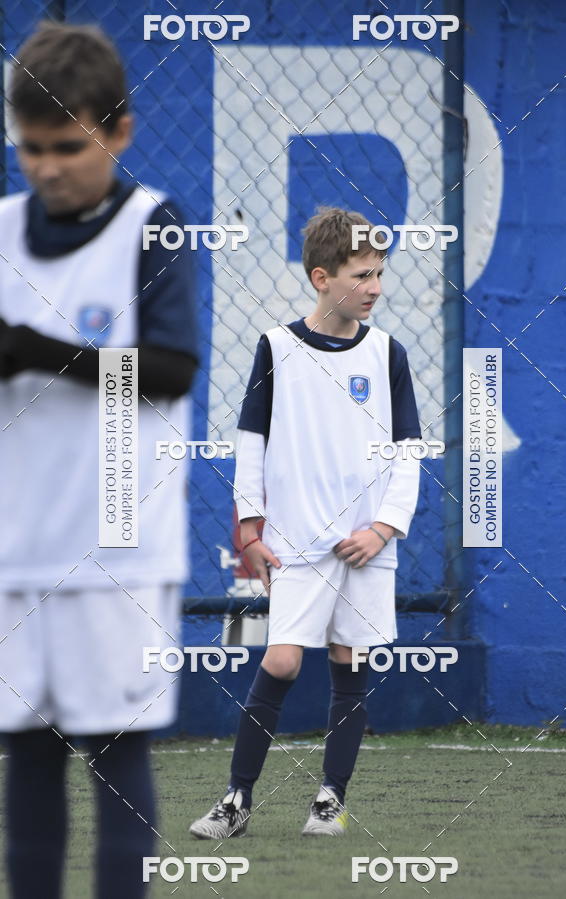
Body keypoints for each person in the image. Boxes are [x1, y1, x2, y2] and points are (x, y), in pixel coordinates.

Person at [0, 22, 198, 898]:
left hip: (116, 549)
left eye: (68, 146)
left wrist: (39, 351)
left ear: (116, 130)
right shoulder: (2, 229)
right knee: (29, 759)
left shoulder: (152, 226)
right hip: (15, 548)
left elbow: (170, 371)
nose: (47, 167)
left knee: (117, 761)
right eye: (30, 148)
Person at [189, 206, 421, 839]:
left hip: (366, 547)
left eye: (381, 273)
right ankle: (236, 799)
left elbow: (408, 454)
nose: (375, 287)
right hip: (294, 541)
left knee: (350, 662)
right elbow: (250, 444)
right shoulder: (277, 346)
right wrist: (249, 529)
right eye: (362, 274)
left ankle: (330, 799)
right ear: (322, 277)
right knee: (285, 661)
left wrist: (383, 529)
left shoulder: (387, 353)